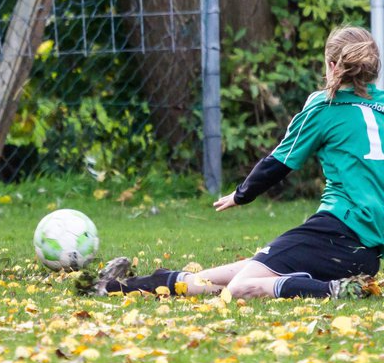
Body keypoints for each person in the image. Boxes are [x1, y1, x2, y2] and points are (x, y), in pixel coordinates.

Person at [82, 25, 384, 300]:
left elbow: (280, 161)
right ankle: (114, 286)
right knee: (224, 276)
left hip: (338, 233)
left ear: (332, 66)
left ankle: (335, 290)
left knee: (241, 286)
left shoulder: (324, 106)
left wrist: (242, 194)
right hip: (367, 255)